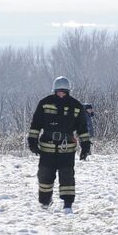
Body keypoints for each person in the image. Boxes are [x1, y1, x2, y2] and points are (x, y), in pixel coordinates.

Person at [28, 76, 92, 211]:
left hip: (66, 149)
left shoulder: (76, 106)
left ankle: (67, 204)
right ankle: (45, 201)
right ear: (54, 91)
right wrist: (32, 141)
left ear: (68, 91)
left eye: (64, 91)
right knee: (44, 175)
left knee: (67, 176)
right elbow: (36, 124)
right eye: (59, 91)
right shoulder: (44, 103)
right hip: (47, 148)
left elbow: (82, 129)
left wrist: (85, 146)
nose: (61, 94)